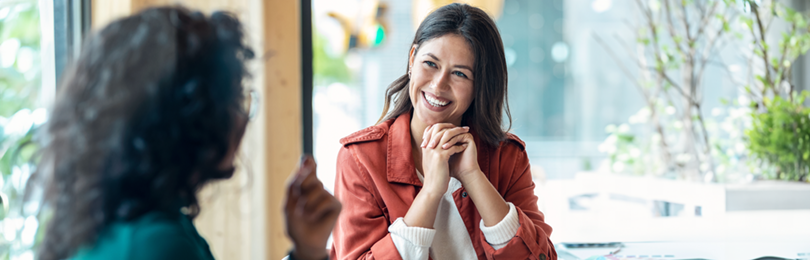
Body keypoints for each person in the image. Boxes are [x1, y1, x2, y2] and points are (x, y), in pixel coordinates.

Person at [31, 7, 340, 260]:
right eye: (235, 99)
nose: (243, 118)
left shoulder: (121, 224)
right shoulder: (157, 246)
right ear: (191, 118)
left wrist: (307, 252)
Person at [330, 3, 557, 260]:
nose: (439, 85)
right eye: (430, 63)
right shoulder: (361, 159)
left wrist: (472, 176)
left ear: (479, 85)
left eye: (459, 73)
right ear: (412, 59)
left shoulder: (507, 157)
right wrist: (430, 192)